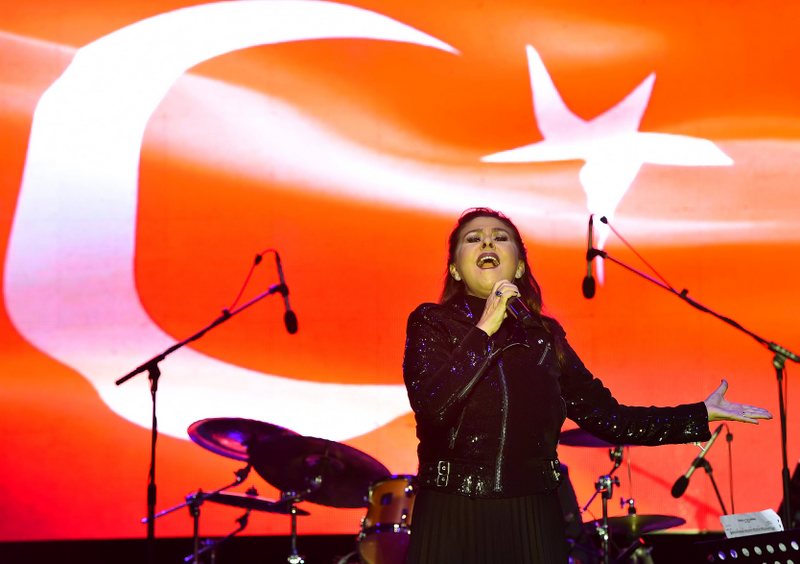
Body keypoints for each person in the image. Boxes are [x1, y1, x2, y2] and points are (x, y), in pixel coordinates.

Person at [402, 207, 772, 564]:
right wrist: (485, 329)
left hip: (533, 516)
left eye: (500, 238)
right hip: (454, 512)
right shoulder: (432, 323)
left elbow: (611, 418)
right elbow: (433, 404)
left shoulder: (545, 339)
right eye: (473, 239)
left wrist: (698, 415)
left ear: (519, 266)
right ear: (455, 268)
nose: (487, 243)